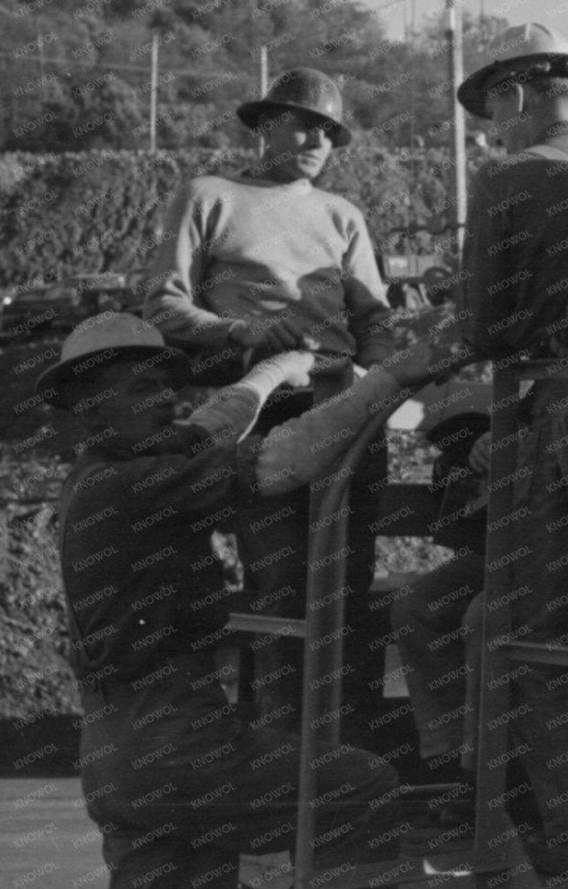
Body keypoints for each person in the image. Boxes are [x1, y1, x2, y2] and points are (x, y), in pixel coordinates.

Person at [43, 312, 460, 889]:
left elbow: (211, 426)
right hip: (174, 737)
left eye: (164, 384)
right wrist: (399, 373)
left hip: (119, 752)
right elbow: (282, 460)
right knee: (356, 791)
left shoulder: (107, 469)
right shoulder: (138, 482)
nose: (163, 398)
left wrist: (276, 369)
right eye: (139, 388)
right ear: (91, 409)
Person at [399, 22, 568, 874]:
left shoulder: (513, 177)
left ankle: (545, 815)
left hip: (558, 431)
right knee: (493, 613)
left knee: (507, 621)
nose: (495, 131)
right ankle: (506, 795)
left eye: (494, 112)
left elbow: (482, 325)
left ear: (516, 94)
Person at [144, 68, 395, 732]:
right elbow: (163, 305)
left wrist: (382, 384)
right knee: (282, 586)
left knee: (347, 588)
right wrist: (242, 331)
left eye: (330, 131)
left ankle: (349, 754)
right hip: (266, 412)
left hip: (344, 411)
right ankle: (283, 755)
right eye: (304, 123)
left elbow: (375, 322)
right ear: (264, 127)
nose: (318, 138)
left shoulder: (343, 216)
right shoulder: (209, 197)